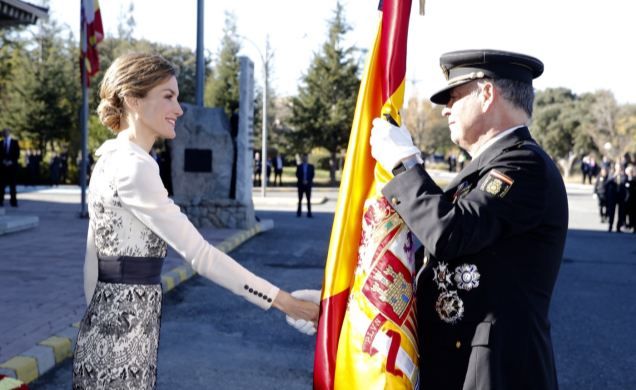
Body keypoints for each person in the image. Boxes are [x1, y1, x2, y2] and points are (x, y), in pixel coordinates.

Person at [71, 53, 319, 390]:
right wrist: (287, 303)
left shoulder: (108, 159)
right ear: (133, 100)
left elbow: (93, 260)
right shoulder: (136, 167)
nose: (179, 109)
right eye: (168, 97)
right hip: (124, 341)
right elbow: (202, 256)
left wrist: (96, 324)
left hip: (107, 331)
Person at [370, 50, 568, 389]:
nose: (446, 109)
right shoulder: (485, 170)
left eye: (455, 97)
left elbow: (449, 233)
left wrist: (404, 165)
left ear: (487, 94)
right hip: (459, 366)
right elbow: (429, 265)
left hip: (495, 374)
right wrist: (360, 304)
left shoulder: (524, 166)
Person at [0, 127, 21, 207]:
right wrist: (3, 161)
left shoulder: (14, 142)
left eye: (6, 132)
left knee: (13, 186)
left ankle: (13, 202)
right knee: (1, 185)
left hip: (12, 168)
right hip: (2, 168)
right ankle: (1, 201)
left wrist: (11, 161)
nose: (5, 133)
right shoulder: (1, 143)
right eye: (4, 132)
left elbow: (17, 154)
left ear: (9, 133)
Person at [295, 153, 314, 218]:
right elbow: (297, 174)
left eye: (306, 158)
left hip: (308, 185)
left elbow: (312, 175)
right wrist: (302, 180)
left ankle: (309, 213)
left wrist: (308, 181)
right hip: (301, 185)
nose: (305, 159)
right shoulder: (299, 166)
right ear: (302, 159)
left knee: (308, 199)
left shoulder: (311, 166)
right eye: (304, 158)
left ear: (307, 158)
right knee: (300, 199)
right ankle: (299, 212)